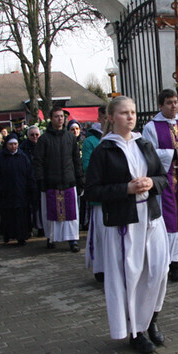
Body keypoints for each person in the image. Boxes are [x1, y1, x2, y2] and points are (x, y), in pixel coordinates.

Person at [85, 96, 170, 354]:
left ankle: (151, 319)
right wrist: (126, 188)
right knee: (131, 275)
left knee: (159, 269)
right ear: (111, 117)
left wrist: (151, 183)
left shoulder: (144, 144)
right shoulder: (104, 150)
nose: (130, 117)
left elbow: (163, 178)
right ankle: (136, 331)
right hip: (124, 221)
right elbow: (92, 191)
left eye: (132, 112)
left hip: (152, 216)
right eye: (124, 113)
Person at [142, 89, 178, 282]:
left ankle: (175, 258)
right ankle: (166, 263)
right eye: (169, 102)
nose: (174, 106)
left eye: (175, 102)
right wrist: (172, 155)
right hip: (164, 181)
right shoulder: (151, 127)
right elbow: (148, 153)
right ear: (160, 105)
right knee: (168, 222)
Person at [35, 107, 84, 252]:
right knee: (51, 213)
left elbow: (76, 160)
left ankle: (73, 240)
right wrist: (41, 180)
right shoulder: (44, 139)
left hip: (69, 181)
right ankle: (51, 238)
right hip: (51, 182)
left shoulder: (70, 138)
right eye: (56, 116)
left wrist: (80, 179)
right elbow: (38, 161)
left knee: (71, 214)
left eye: (62, 116)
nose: (60, 119)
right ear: (51, 118)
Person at [0, 134, 35, 245]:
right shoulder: (0, 158)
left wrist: (30, 187)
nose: (13, 146)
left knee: (21, 215)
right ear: (6, 145)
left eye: (15, 144)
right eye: (11, 144)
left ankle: (22, 236)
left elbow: (29, 173)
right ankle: (7, 235)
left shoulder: (23, 157)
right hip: (7, 192)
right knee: (8, 215)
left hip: (21, 191)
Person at [82, 106, 107, 283]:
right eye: (105, 117)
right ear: (100, 118)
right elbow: (88, 167)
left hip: (118, 196)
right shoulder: (90, 141)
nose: (109, 121)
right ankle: (100, 268)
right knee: (100, 234)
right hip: (100, 197)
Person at [19, 125, 44, 237]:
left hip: (40, 180)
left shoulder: (43, 145)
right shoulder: (23, 148)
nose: (34, 137)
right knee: (30, 206)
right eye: (32, 135)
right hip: (28, 180)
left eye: (37, 135)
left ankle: (41, 227)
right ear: (28, 136)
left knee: (41, 205)